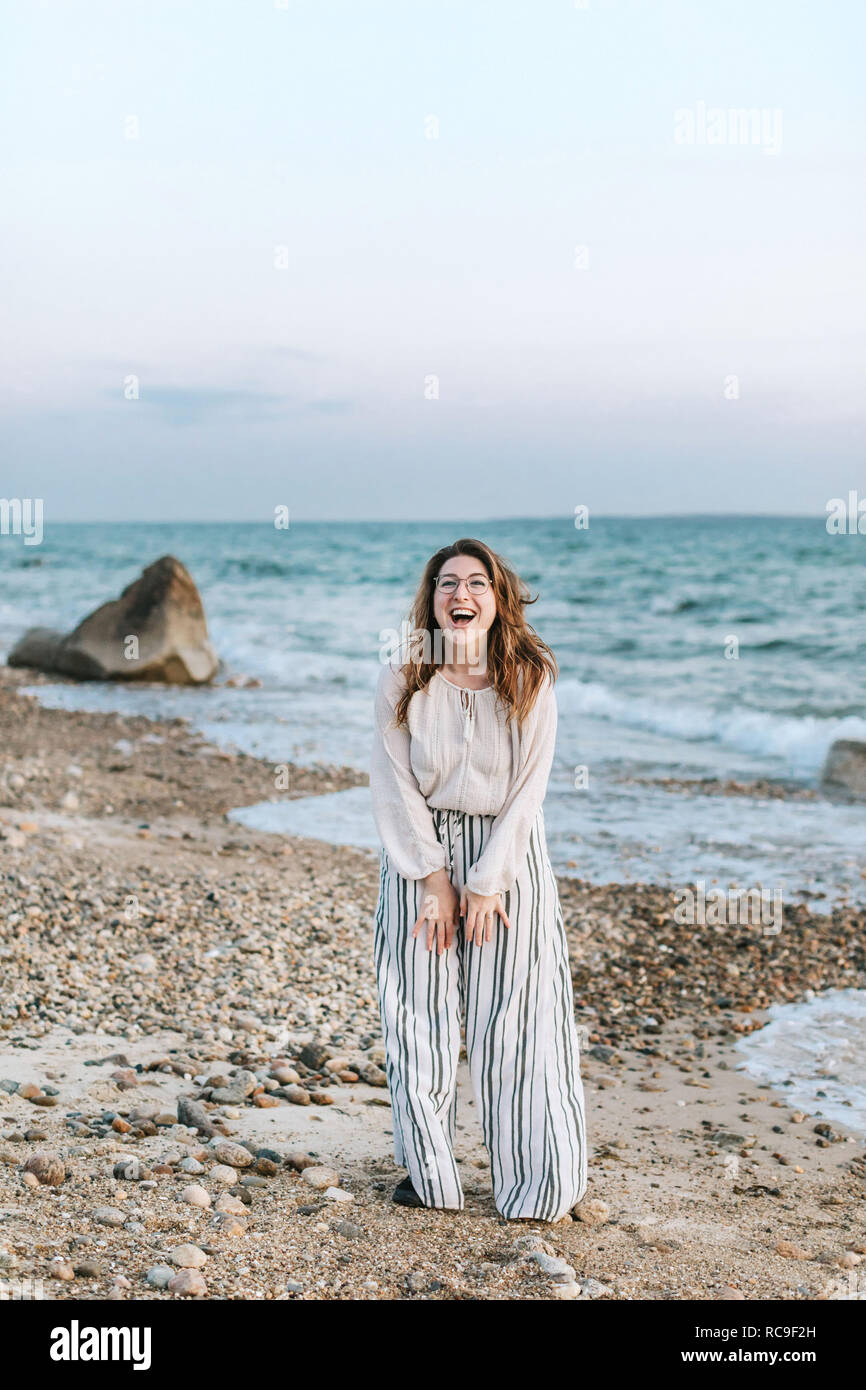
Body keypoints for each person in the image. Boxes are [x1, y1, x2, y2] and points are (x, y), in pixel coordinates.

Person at [369, 536, 588, 1222]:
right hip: (418, 850)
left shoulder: (530, 676)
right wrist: (435, 878)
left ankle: (537, 1184)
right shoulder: (405, 673)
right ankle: (431, 1175)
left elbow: (530, 788)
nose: (459, 595)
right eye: (446, 583)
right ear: (431, 599)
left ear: (499, 599)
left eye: (476, 583)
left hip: (509, 854)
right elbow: (393, 781)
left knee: (517, 1016)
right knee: (417, 1012)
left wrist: (488, 881)